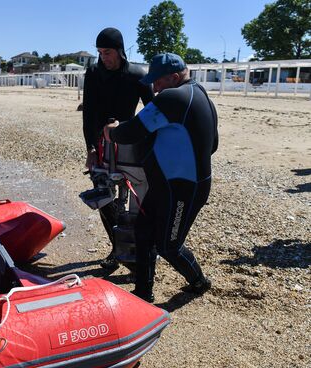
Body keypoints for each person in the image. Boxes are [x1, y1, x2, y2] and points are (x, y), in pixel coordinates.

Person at [103, 53, 218, 302]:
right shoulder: (200, 93)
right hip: (167, 183)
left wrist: (111, 132)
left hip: (183, 189)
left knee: (168, 245)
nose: (154, 88)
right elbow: (214, 144)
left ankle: (200, 281)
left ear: (174, 77)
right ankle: (143, 293)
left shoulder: (172, 97)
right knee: (143, 231)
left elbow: (131, 132)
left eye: (157, 82)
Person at [83, 27, 154, 270]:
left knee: (131, 200)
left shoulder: (136, 74)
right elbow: (89, 114)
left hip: (128, 145)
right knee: (104, 199)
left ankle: (135, 252)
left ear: (120, 51)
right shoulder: (93, 72)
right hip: (101, 146)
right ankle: (117, 248)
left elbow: (152, 110)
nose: (104, 57)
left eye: (108, 52)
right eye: (100, 52)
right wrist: (90, 148)